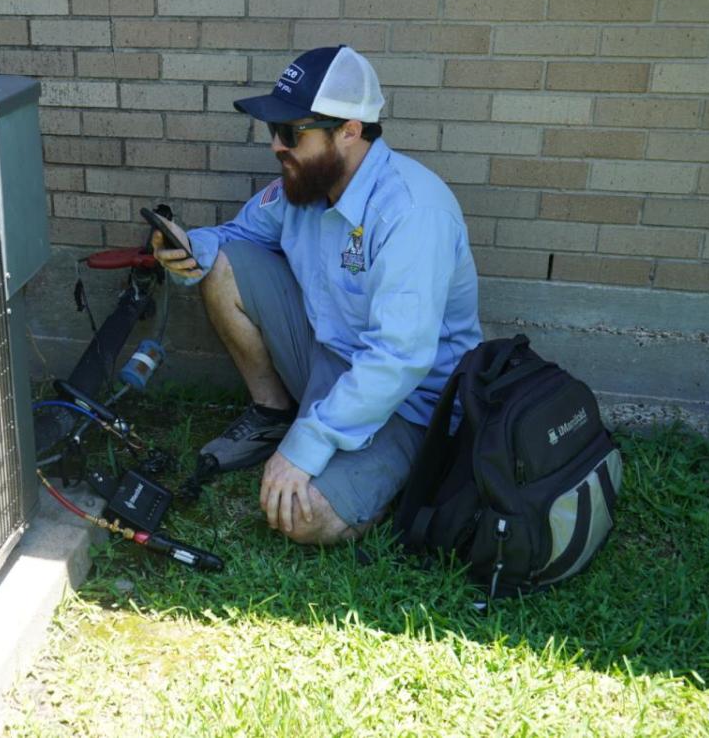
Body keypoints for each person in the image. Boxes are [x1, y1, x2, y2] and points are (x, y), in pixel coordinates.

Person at [151, 45, 483, 547]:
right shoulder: (302, 186)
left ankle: (397, 467)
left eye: (291, 133)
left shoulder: (412, 212)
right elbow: (235, 237)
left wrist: (306, 446)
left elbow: (399, 359)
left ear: (349, 131)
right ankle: (272, 416)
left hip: (409, 403)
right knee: (221, 267)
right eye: (272, 131)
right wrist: (188, 250)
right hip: (330, 360)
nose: (275, 147)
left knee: (303, 519)